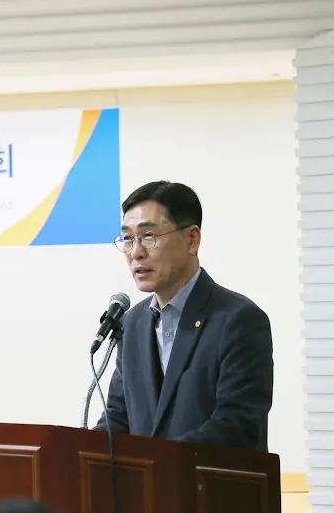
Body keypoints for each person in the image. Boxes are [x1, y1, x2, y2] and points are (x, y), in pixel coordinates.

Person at [95, 181, 273, 451]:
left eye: (148, 236)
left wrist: (159, 461)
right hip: (149, 479)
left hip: (209, 477)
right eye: (128, 238)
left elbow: (236, 425)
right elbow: (119, 417)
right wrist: (82, 452)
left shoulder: (238, 320)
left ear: (192, 239)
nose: (136, 252)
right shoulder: (131, 324)